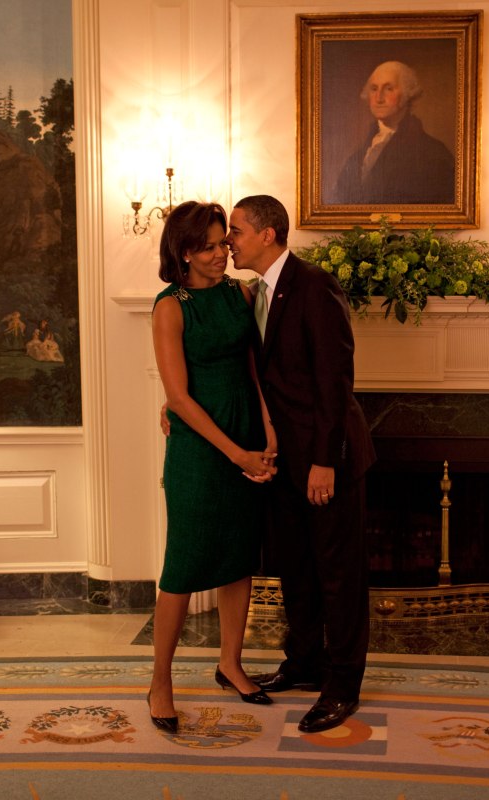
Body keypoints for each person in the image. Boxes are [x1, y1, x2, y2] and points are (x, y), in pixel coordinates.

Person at [227, 194, 377, 734]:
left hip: (324, 460)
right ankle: (305, 663)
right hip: (283, 463)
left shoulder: (314, 284)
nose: (229, 242)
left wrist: (324, 461)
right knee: (298, 573)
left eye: (237, 232)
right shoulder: (253, 293)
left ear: (268, 233)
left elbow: (336, 380)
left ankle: (343, 685)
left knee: (339, 576)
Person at [148, 200, 279, 732]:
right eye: (209, 246)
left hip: (247, 429)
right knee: (182, 567)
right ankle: (161, 679)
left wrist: (268, 433)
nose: (222, 252)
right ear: (184, 253)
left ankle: (230, 662)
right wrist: (236, 453)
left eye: (224, 242)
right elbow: (177, 397)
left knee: (237, 556)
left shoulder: (239, 293)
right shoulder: (170, 307)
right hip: (201, 450)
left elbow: (255, 367)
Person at [330, 60, 456, 205]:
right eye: (374, 89)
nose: (379, 98)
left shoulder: (434, 154)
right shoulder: (356, 158)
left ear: (407, 94)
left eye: (388, 89)